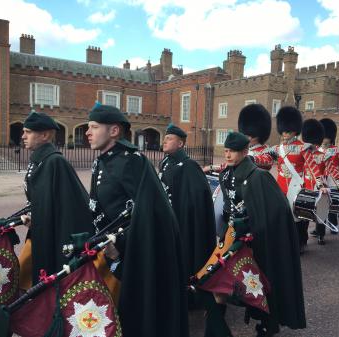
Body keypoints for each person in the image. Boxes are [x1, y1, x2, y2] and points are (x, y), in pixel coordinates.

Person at [86, 104, 189, 337]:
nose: (88, 132)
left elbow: (150, 214)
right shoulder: (103, 160)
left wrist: (120, 245)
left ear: (113, 131)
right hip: (108, 251)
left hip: (131, 256)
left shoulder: (131, 161)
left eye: (94, 127)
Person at [197, 132, 305, 337]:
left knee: (259, 285)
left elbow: (277, 211)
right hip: (231, 238)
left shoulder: (259, 176)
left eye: (233, 151)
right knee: (211, 281)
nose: (227, 155)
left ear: (245, 152)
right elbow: (228, 207)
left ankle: (268, 324)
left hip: (255, 241)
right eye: (226, 151)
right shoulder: (226, 174)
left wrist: (251, 225)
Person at [18, 111, 93, 288]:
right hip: (40, 233)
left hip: (53, 239)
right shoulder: (38, 160)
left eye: (28, 132)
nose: (23, 136)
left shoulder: (55, 162)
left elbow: (70, 208)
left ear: (44, 135)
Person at [252, 106, 326, 253]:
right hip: (280, 186)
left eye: (288, 131)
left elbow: (312, 167)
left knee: (298, 217)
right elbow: (265, 159)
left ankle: (299, 242)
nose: (285, 134)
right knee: (281, 216)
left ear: (295, 130)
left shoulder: (303, 147)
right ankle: (284, 241)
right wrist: (252, 158)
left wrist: (320, 184)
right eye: (283, 131)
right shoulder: (277, 148)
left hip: (296, 185)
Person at [159, 123, 216, 307]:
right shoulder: (165, 162)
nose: (164, 141)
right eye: (165, 138)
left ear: (181, 144)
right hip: (168, 221)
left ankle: (190, 293)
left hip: (184, 223)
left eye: (169, 138)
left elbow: (198, 200)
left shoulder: (189, 166)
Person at [204, 103, 273, 173]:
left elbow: (266, 162)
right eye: (246, 135)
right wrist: (212, 167)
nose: (248, 138)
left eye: (251, 135)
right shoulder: (243, 149)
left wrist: (247, 158)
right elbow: (229, 165)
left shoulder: (265, 151)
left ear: (259, 134)